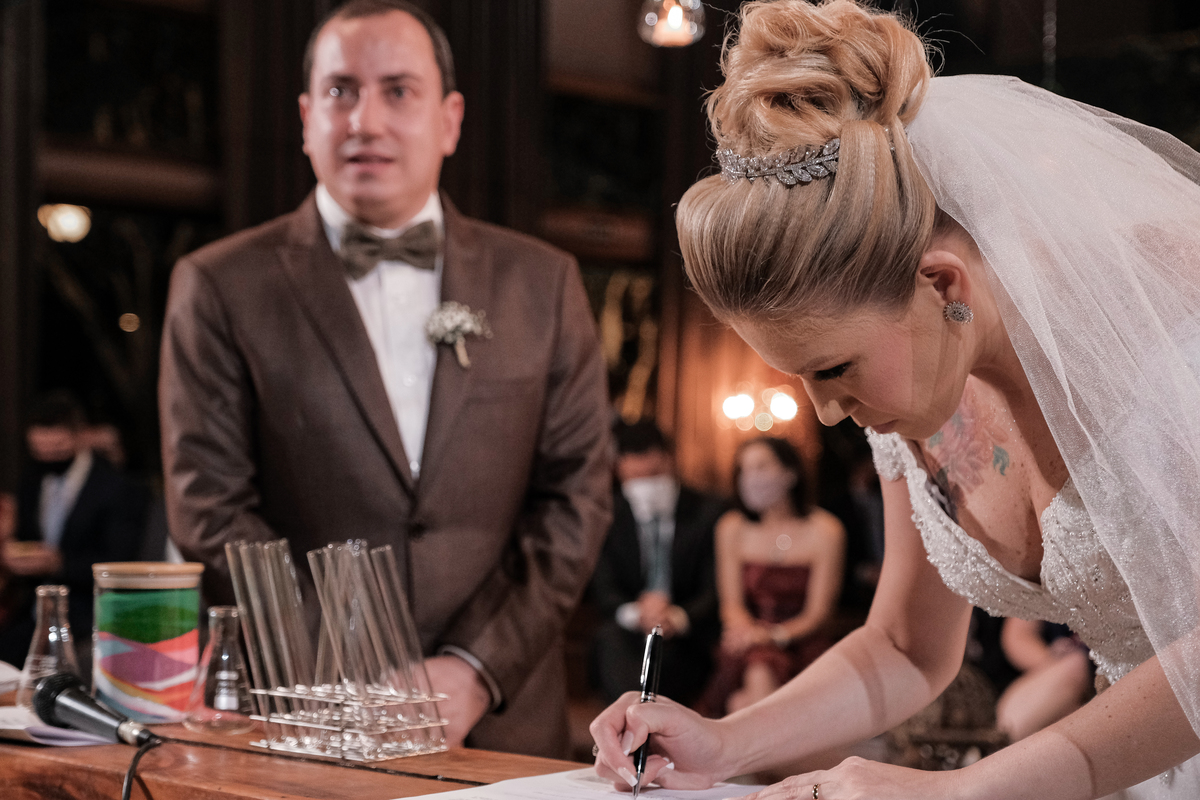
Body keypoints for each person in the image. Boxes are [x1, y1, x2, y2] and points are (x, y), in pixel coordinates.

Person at [590, 1, 1200, 798]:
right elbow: (907, 647)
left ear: (941, 285)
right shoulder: (916, 389)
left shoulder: (1168, 331)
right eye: (800, 378)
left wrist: (962, 791)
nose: (825, 413)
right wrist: (725, 743)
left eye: (834, 368)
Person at [158, 0, 611, 757]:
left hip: (503, 727)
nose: (364, 121)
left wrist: (471, 670)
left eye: (398, 90)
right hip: (309, 718)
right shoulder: (219, 285)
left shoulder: (544, 282)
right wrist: (357, 677)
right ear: (307, 118)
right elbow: (207, 509)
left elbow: (578, 498)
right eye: (340, 91)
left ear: (450, 120)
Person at [695, 437, 844, 718]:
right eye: (743, 470)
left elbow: (819, 613)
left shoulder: (826, 530)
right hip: (748, 639)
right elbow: (731, 605)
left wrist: (773, 636)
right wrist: (750, 633)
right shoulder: (731, 527)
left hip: (803, 640)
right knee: (758, 666)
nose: (750, 479)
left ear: (790, 473)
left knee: (743, 701)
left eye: (761, 467)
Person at [0, 392, 147, 669]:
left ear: (80, 437)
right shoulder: (31, 479)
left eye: (57, 448)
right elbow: (26, 538)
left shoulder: (116, 488)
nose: (48, 457)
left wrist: (59, 564)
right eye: (39, 450)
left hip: (88, 614)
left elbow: (120, 563)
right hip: (33, 612)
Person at [590, 421, 725, 708]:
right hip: (632, 628)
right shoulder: (609, 515)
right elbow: (604, 587)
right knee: (612, 641)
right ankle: (634, 720)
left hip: (687, 630)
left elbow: (715, 587)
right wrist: (638, 613)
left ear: (669, 461)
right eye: (635, 478)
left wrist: (676, 617)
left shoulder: (708, 512)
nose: (645, 487)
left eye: (653, 475)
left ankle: (648, 722)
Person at [995, 618, 1093, 743]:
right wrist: (1053, 662)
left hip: (1091, 666)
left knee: (1013, 723)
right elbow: (1018, 635)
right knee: (1012, 723)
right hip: (1062, 663)